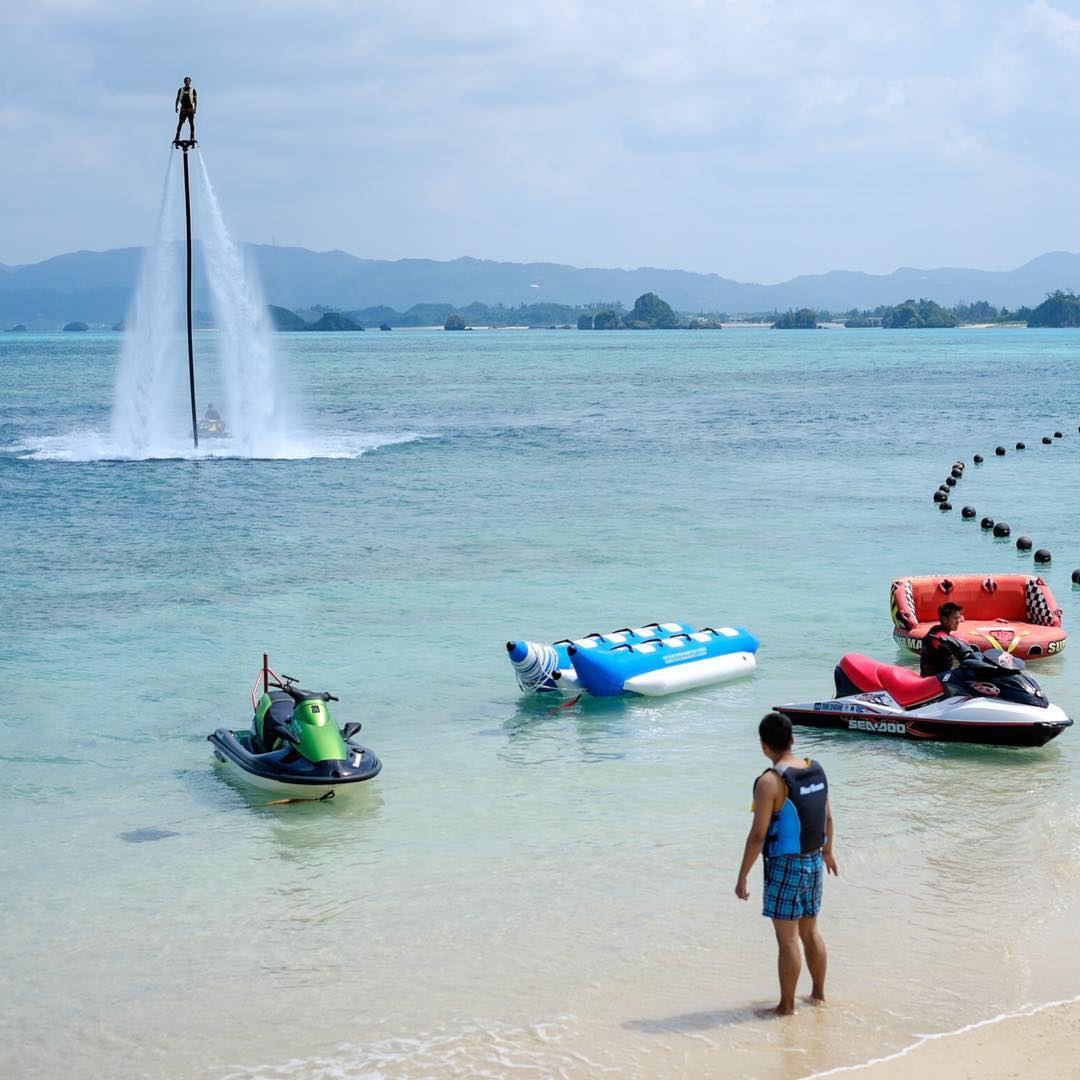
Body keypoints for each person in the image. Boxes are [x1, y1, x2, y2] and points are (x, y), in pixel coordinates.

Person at [736, 712, 837, 1017]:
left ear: (763, 745)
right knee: (811, 932)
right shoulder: (815, 769)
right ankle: (818, 995)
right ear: (792, 739)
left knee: (787, 939)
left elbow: (758, 835)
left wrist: (742, 876)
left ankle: (787, 1007)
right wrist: (828, 851)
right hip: (813, 861)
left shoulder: (770, 782)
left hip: (785, 866)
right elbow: (828, 817)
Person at [920, 601, 965, 677]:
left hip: (938, 677)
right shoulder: (939, 636)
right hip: (934, 681)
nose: (958, 621)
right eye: (955, 618)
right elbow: (939, 643)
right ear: (944, 619)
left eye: (959, 618)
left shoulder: (935, 629)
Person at [174, 77, 197, 144]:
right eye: (186, 81)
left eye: (188, 81)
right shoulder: (181, 90)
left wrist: (195, 108)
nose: (187, 82)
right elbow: (177, 98)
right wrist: (176, 106)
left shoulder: (193, 90)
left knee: (191, 123)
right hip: (183, 108)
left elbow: (195, 100)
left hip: (190, 108)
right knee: (180, 123)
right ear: (184, 82)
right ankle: (177, 136)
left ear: (190, 82)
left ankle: (192, 136)